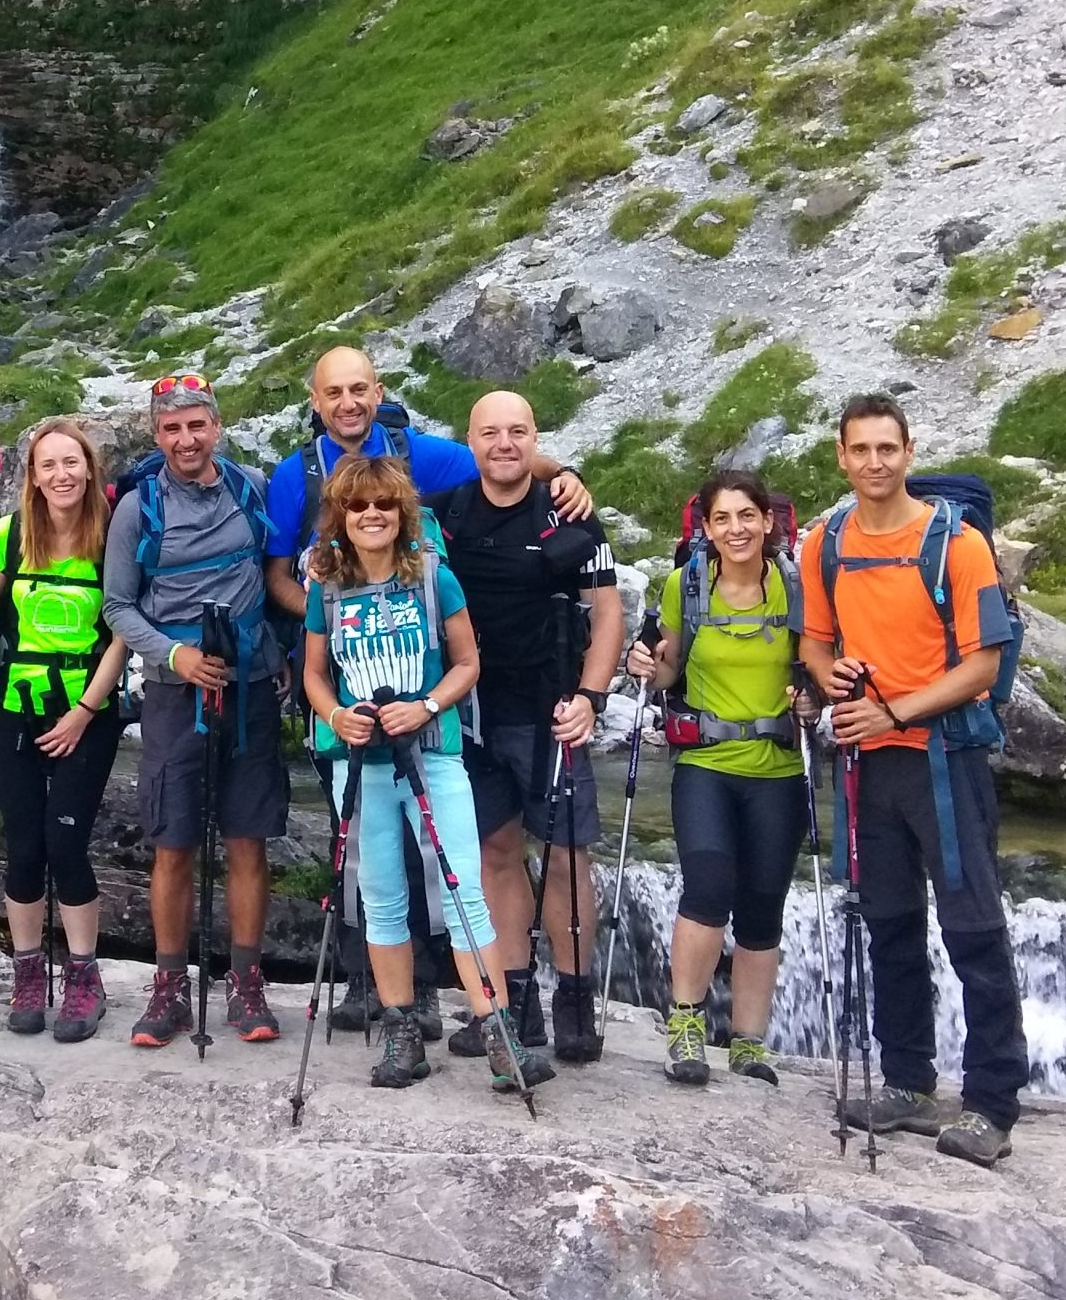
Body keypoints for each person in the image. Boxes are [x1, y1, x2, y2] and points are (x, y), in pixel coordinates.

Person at [262, 346, 591, 1035]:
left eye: (360, 389)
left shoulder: (419, 453)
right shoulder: (294, 477)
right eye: (335, 393)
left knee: (446, 866)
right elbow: (274, 576)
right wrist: (334, 596)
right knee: (366, 857)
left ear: (378, 392)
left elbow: (501, 455)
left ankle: (468, 1003)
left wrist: (564, 475)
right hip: (347, 710)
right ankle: (380, 995)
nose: (349, 403)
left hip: (433, 717)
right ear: (315, 400)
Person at [799, 391, 1029, 1169]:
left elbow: (983, 667)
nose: (874, 464)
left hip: (946, 759)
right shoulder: (823, 544)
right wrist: (838, 685)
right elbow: (816, 646)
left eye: (886, 450)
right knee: (888, 922)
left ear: (909, 451)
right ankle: (907, 1079)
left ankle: (994, 1101)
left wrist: (889, 709)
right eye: (860, 450)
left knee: (971, 926)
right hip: (871, 759)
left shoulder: (957, 547)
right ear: (841, 455)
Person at [301, 453, 549, 1093]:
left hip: (433, 753)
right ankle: (400, 1032)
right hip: (360, 760)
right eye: (358, 506)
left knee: (463, 890)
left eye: (384, 504)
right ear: (342, 517)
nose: (373, 514)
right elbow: (312, 674)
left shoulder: (435, 577)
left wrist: (427, 706)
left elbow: (468, 663)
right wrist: (337, 716)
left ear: (403, 512)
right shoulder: (326, 587)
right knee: (382, 895)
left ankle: (498, 1032)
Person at [432, 388, 622, 1064]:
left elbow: (607, 614)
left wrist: (593, 697)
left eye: (518, 432)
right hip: (474, 717)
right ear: (470, 439)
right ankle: (515, 1004)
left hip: (553, 713)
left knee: (568, 855)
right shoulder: (446, 515)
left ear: (535, 437)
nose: (504, 444)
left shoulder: (571, 515)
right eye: (490, 433)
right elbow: (367, 517)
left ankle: (574, 996)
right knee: (497, 857)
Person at [103, 370, 285, 1047]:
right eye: (172, 428)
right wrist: (173, 656)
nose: (186, 438)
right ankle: (169, 987)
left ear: (216, 425)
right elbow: (117, 604)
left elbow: (277, 574)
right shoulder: (136, 509)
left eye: (196, 424)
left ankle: (245, 983)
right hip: (176, 694)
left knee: (247, 838)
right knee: (173, 843)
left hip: (250, 685)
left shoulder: (251, 489)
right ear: (158, 434)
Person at [625, 470, 809, 1087]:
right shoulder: (686, 584)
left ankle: (749, 1042)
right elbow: (669, 669)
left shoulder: (795, 590)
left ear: (768, 522)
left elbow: (814, 668)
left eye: (747, 516)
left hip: (778, 768)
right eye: (722, 519)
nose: (736, 529)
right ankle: (686, 1023)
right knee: (707, 885)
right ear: (706, 528)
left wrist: (810, 699)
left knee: (763, 904)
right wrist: (644, 662)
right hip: (704, 764)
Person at [0, 420, 131, 1043]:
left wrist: (84, 712)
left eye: (71, 463)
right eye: (48, 465)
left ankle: (81, 977)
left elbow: (124, 629)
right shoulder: (9, 533)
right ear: (33, 475)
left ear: (89, 469)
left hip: (86, 711)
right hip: (15, 704)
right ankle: (26, 975)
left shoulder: (113, 535)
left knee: (65, 844)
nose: (61, 475)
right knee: (23, 845)